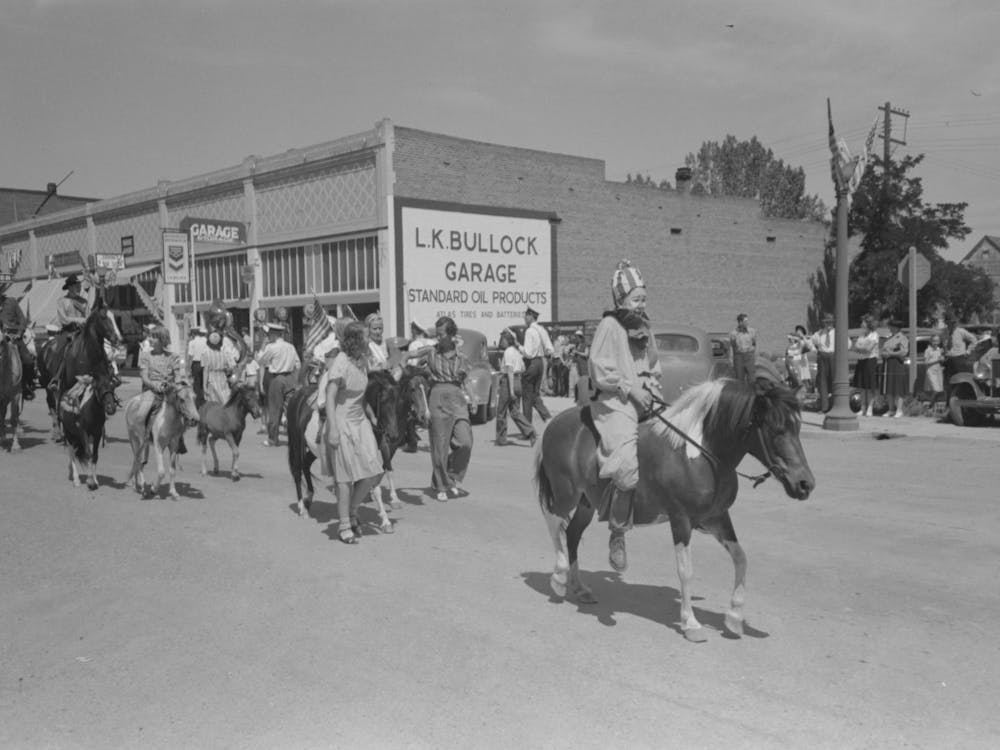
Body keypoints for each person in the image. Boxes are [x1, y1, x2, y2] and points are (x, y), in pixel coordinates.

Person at [588, 260, 662, 574]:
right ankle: (618, 533)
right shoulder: (609, 326)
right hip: (615, 399)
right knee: (627, 466)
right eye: (636, 298)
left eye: (644, 297)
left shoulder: (645, 325)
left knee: (681, 439)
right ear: (621, 299)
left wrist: (653, 386)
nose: (641, 303)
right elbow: (601, 370)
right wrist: (632, 390)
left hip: (647, 396)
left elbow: (654, 364)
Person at [323, 321, 385, 545]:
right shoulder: (341, 362)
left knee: (373, 472)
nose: (371, 339)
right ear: (355, 340)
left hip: (360, 422)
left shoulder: (362, 360)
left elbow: (368, 384)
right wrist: (332, 429)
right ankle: (344, 525)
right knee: (344, 478)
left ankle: (352, 509)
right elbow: (330, 396)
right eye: (367, 336)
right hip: (342, 422)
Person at [409, 316, 473, 502]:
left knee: (465, 441)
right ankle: (441, 484)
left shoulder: (461, 357)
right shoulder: (431, 351)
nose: (438, 338)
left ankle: (450, 476)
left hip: (457, 397)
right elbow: (411, 355)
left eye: (442, 335)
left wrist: (473, 398)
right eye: (436, 335)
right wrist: (401, 359)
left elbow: (465, 379)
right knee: (440, 444)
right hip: (437, 396)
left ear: (452, 335)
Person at [133, 326, 186, 453]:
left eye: (153, 337)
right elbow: (144, 376)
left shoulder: (173, 356)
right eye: (150, 336)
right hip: (151, 390)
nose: (150, 339)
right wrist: (154, 385)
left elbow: (177, 375)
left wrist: (178, 385)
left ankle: (179, 439)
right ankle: (143, 441)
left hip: (169, 390)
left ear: (162, 340)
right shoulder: (145, 356)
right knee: (140, 415)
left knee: (185, 410)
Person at [255, 322, 300, 447]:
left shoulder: (271, 347)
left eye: (269, 334)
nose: (268, 337)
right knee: (291, 409)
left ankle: (273, 439)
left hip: (277, 378)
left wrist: (262, 348)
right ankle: (295, 438)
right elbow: (298, 364)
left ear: (273, 334)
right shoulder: (290, 346)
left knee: (275, 410)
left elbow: (260, 361)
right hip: (290, 378)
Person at [495, 328, 537, 447]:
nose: (501, 342)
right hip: (518, 380)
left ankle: (501, 439)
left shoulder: (508, 351)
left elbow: (509, 370)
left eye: (502, 339)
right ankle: (530, 431)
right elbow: (523, 368)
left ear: (507, 340)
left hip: (509, 383)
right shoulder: (516, 352)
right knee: (515, 412)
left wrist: (511, 389)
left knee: (501, 411)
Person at [0, 280, 37, 400]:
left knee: (28, 360)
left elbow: (22, 320)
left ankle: (26, 385)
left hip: (14, 338)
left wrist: (20, 332)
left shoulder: (12, 302)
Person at [517, 307, 553, 424]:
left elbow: (528, 353)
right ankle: (546, 416)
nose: (524, 317)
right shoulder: (542, 329)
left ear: (531, 316)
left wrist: (518, 346)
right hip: (540, 363)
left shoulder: (529, 331)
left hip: (531, 363)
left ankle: (527, 427)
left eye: (526, 315)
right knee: (534, 394)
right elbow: (550, 349)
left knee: (527, 396)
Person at [942, 313, 978, 402]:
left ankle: (963, 402)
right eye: (951, 322)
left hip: (959, 360)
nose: (953, 324)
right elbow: (944, 346)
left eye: (954, 322)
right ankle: (950, 404)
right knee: (948, 383)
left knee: (961, 382)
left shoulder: (961, 331)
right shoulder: (944, 332)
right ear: (947, 323)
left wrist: (968, 351)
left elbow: (974, 340)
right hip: (948, 360)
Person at [850, 314, 880, 416]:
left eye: (863, 323)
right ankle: (862, 408)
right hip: (861, 361)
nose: (861, 325)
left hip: (871, 361)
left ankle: (870, 408)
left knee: (869, 386)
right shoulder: (862, 335)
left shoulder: (874, 335)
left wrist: (861, 347)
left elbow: (868, 349)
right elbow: (855, 347)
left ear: (868, 324)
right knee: (862, 386)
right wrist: (862, 347)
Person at [880, 319, 909, 418]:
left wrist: (891, 353)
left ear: (896, 327)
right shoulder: (889, 338)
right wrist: (883, 354)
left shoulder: (902, 338)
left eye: (891, 326)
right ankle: (891, 409)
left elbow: (904, 352)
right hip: (887, 364)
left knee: (897, 388)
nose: (889, 328)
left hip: (897, 364)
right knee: (889, 387)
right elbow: (883, 350)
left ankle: (899, 410)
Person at [201, 330, 237, 404]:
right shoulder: (224, 352)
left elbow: (206, 370)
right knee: (225, 401)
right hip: (223, 378)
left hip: (211, 379)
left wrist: (204, 386)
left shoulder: (206, 352)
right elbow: (232, 367)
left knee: (213, 403)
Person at [811, 312, 836, 412]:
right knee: (823, 382)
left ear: (833, 323)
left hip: (833, 357)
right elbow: (810, 342)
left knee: (835, 381)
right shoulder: (819, 333)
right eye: (826, 323)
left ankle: (835, 405)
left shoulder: (838, 332)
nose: (828, 325)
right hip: (822, 357)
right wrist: (815, 350)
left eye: (830, 323)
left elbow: (848, 344)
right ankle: (824, 407)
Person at [729, 313, 757, 383]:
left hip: (749, 356)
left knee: (752, 379)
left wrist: (752, 353)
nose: (747, 323)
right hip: (739, 358)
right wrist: (731, 360)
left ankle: (752, 393)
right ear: (740, 322)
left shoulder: (752, 331)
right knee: (739, 379)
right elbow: (733, 347)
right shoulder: (733, 333)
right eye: (745, 321)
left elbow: (754, 344)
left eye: (747, 321)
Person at [784, 324, 812, 392]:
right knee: (794, 381)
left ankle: (805, 391)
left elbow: (809, 347)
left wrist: (802, 337)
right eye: (797, 331)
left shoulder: (802, 343)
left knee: (803, 381)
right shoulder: (791, 346)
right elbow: (788, 355)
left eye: (800, 332)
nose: (798, 333)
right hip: (793, 366)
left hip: (801, 364)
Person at [187, 326, 208, 408]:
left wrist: (188, 368)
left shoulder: (192, 342)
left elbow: (190, 356)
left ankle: (197, 403)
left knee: (196, 383)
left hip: (196, 364)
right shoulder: (206, 341)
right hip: (205, 363)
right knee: (204, 382)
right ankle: (204, 400)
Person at [568, 329, 589, 401]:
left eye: (577, 337)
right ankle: (576, 395)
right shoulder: (576, 345)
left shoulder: (584, 345)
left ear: (580, 337)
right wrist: (571, 355)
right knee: (576, 380)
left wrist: (577, 352)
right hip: (577, 364)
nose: (576, 338)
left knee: (583, 380)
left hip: (583, 364)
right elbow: (574, 354)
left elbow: (586, 354)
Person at [923, 333, 944, 403]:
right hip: (931, 371)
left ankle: (932, 403)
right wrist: (937, 360)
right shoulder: (928, 350)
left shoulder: (939, 349)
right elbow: (926, 362)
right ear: (931, 341)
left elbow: (940, 360)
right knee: (936, 389)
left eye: (937, 341)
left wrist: (942, 359)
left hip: (938, 371)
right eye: (934, 341)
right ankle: (930, 402)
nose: (936, 343)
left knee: (939, 390)